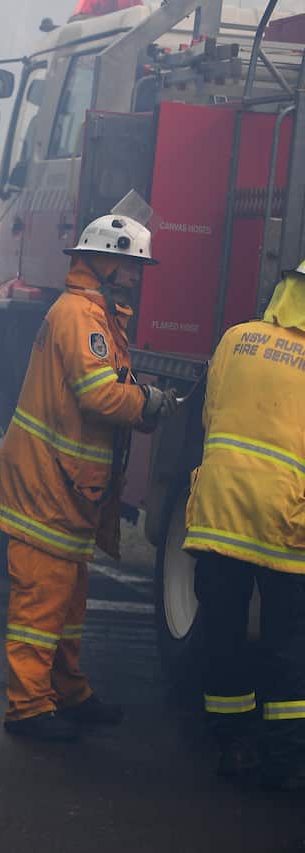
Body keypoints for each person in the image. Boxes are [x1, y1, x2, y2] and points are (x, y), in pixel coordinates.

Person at [0, 213, 179, 741]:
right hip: (48, 486)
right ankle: (27, 707)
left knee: (67, 602)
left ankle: (66, 691)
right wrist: (149, 403)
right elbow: (99, 395)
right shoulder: (79, 317)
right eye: (131, 265)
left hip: (66, 487)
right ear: (102, 261)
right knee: (40, 603)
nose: (137, 276)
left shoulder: (95, 314)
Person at [184, 262, 305, 787]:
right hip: (285, 522)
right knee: (287, 642)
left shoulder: (235, 339)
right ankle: (287, 757)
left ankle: (232, 746)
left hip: (218, 514)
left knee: (225, 634)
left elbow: (210, 417)